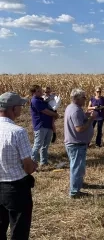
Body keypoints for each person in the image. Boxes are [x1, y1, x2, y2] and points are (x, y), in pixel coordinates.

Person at [0, 92, 37, 240]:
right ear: (13, 109)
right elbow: (28, 167)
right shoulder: (18, 132)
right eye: (20, 106)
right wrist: (34, 165)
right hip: (16, 188)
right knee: (19, 230)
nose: (21, 109)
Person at [64, 88, 98, 198]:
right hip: (76, 144)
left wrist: (86, 115)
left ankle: (78, 183)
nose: (85, 99)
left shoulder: (72, 108)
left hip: (75, 143)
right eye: (83, 97)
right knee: (76, 168)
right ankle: (74, 192)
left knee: (78, 167)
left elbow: (79, 119)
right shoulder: (75, 111)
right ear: (77, 98)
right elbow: (79, 128)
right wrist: (91, 119)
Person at [30, 85, 58, 167]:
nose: (41, 92)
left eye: (41, 90)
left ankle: (44, 162)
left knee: (45, 145)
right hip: (40, 125)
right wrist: (56, 114)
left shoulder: (41, 100)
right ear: (34, 93)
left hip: (47, 125)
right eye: (38, 91)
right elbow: (45, 111)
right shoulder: (35, 101)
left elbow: (50, 107)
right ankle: (32, 163)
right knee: (37, 145)